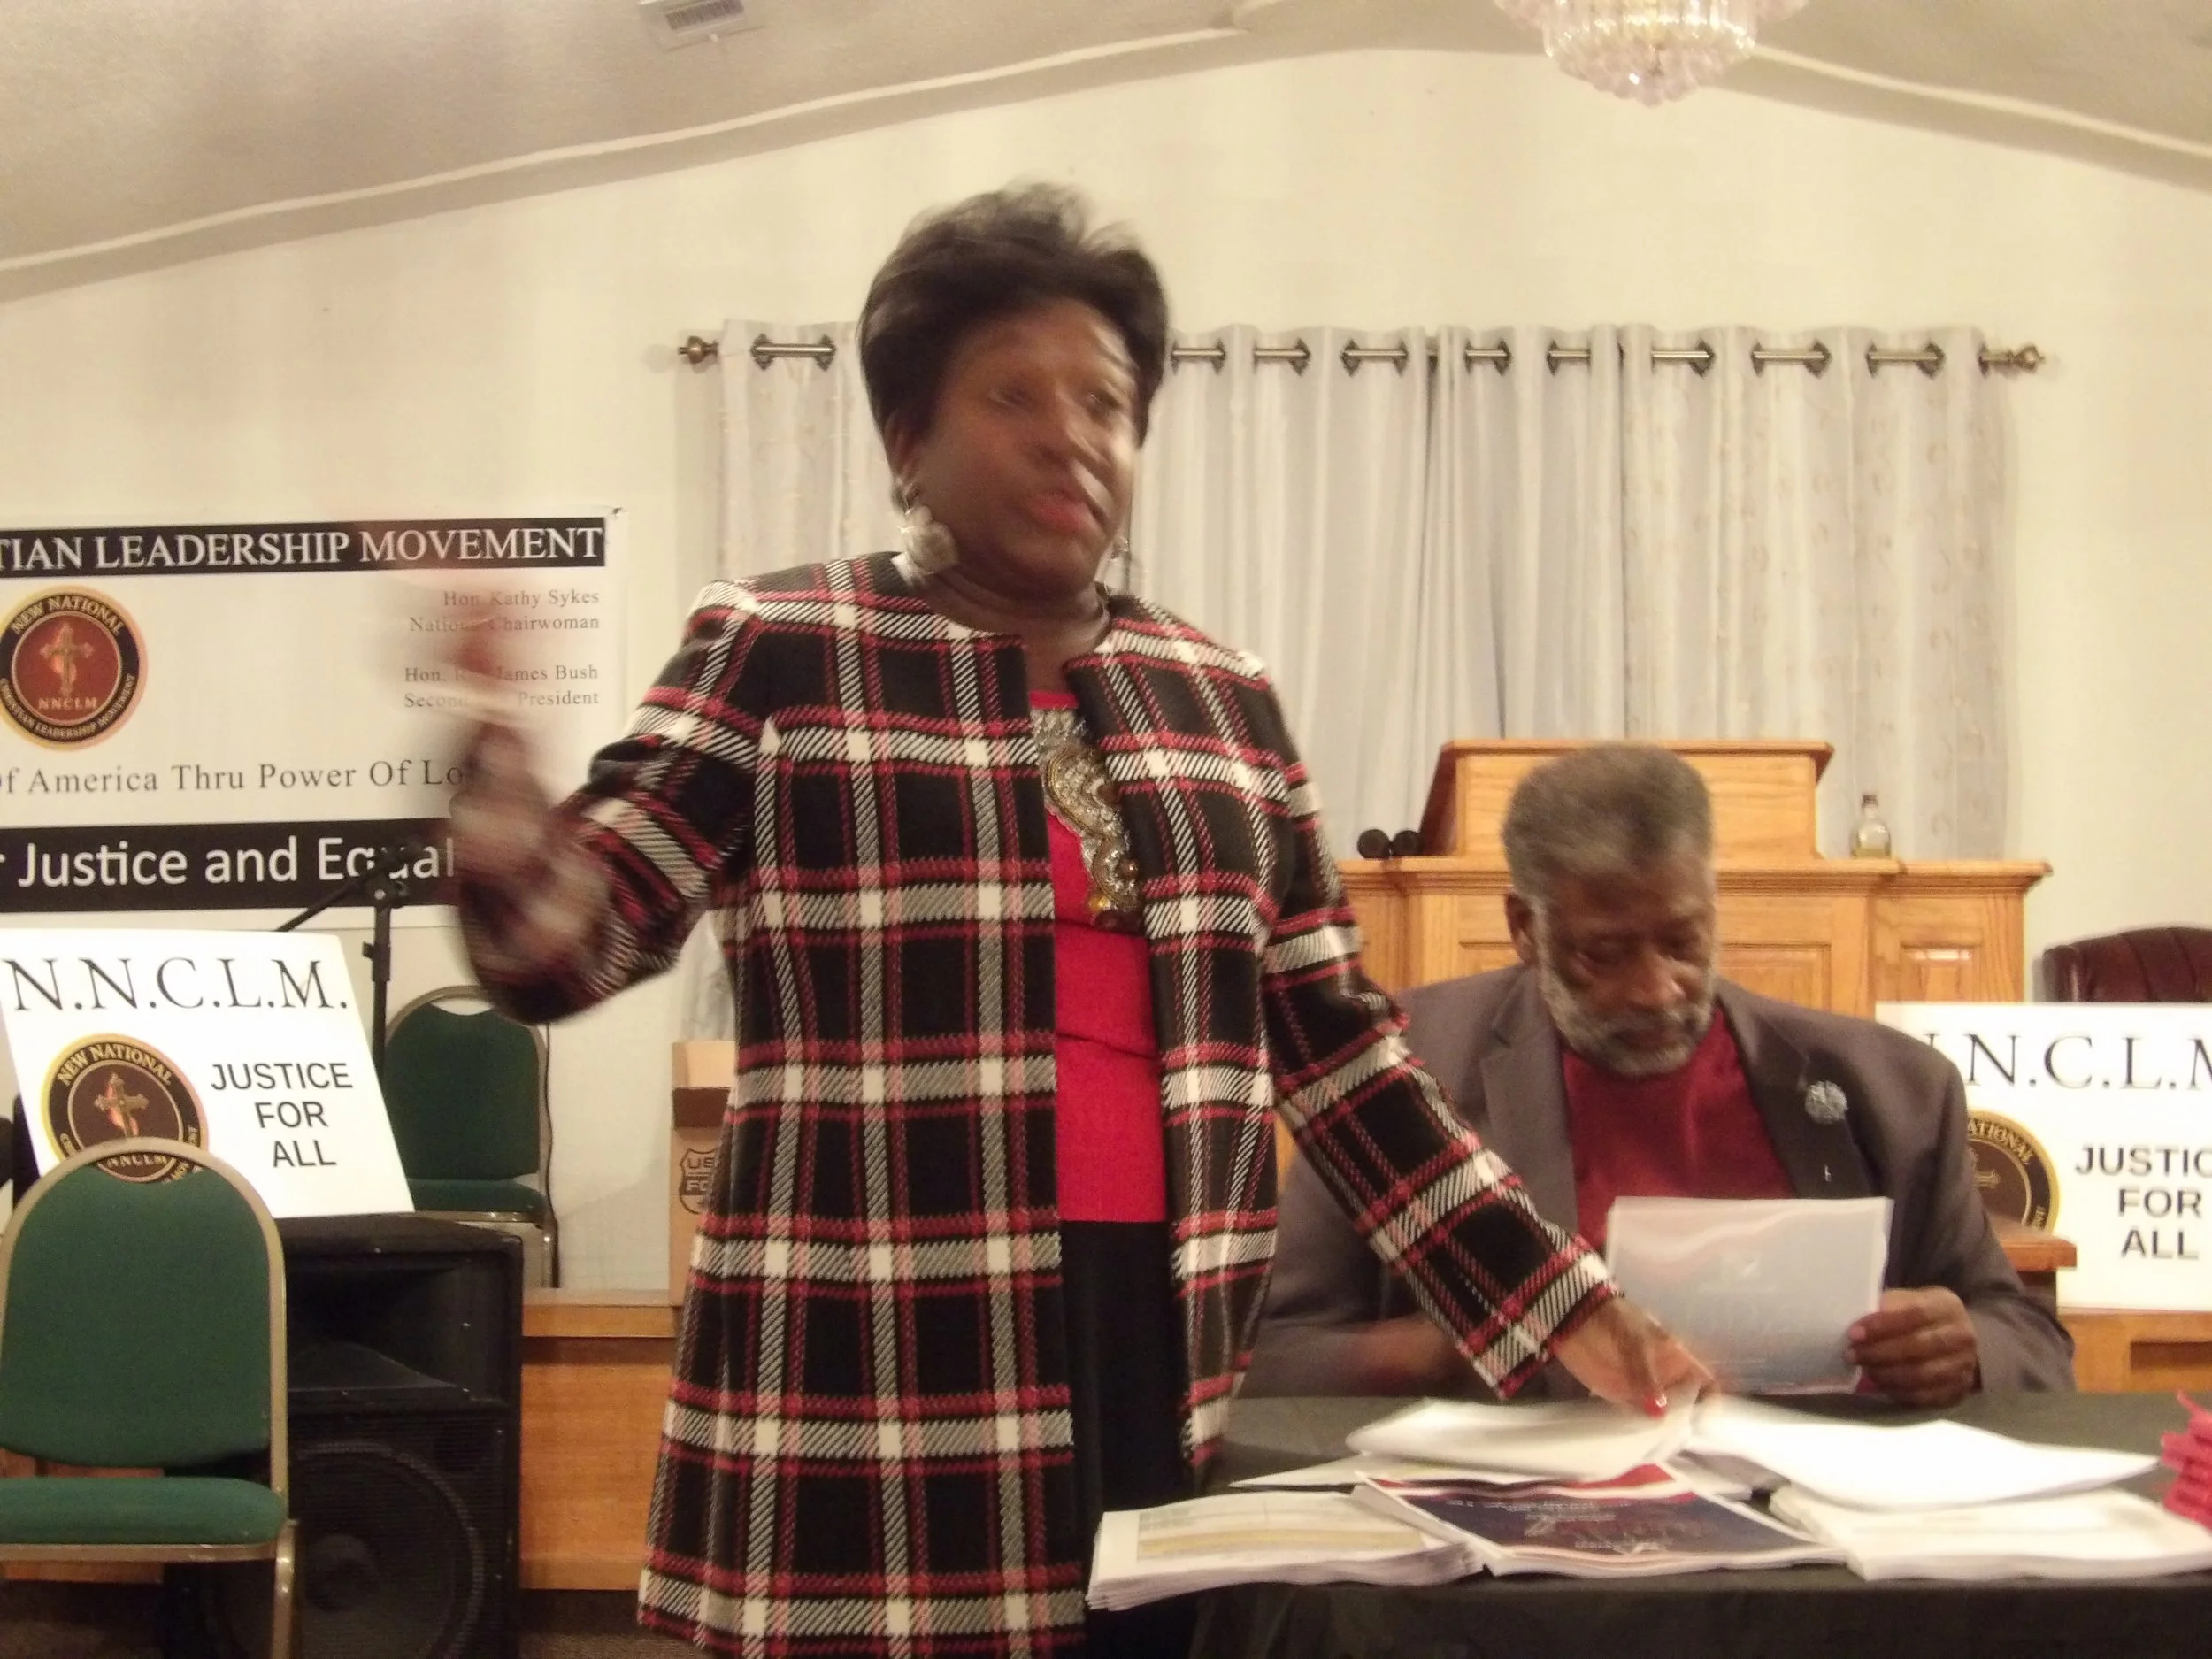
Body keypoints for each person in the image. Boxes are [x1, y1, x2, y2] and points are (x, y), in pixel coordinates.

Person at [447, 188, 1702, 1659]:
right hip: (872, 1345)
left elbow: (1347, 1060)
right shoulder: (784, 645)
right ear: (909, 440)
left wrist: (1560, 1300)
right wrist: (498, 767)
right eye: (1013, 396)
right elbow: (565, 944)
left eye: (1106, 402)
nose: (1072, 436)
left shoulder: (1220, 695)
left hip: (1154, 1337)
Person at [1244, 743, 2075, 1409]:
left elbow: (2032, 1342)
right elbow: (1270, 1359)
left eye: (1683, 941)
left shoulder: (1891, 1088)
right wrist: (1513, 1329)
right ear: (1525, 927)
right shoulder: (1392, 1075)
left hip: (1814, 1512)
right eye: (1604, 953)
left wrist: (1964, 1348)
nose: (1657, 988)